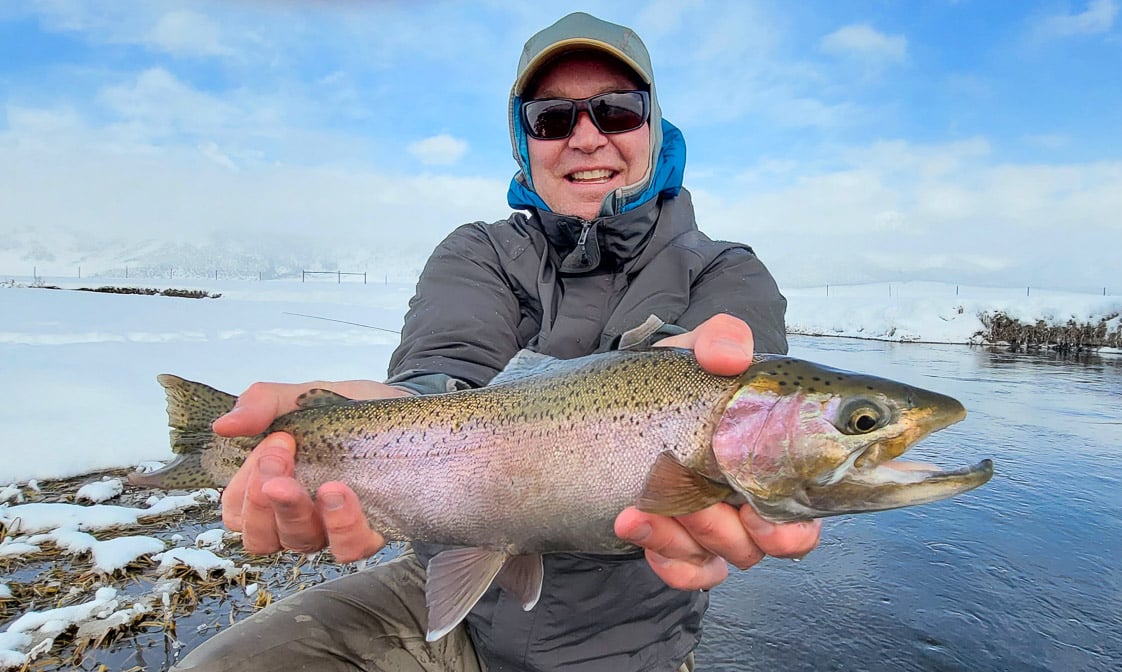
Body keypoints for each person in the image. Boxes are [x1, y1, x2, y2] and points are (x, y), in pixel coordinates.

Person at [172, 11, 820, 672]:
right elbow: (439, 378)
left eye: (617, 111)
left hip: (631, 641)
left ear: (655, 127)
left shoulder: (726, 270)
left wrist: (686, 391)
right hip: (443, 597)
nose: (587, 137)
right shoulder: (477, 252)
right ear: (524, 141)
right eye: (553, 118)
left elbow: (743, 385)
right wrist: (357, 419)